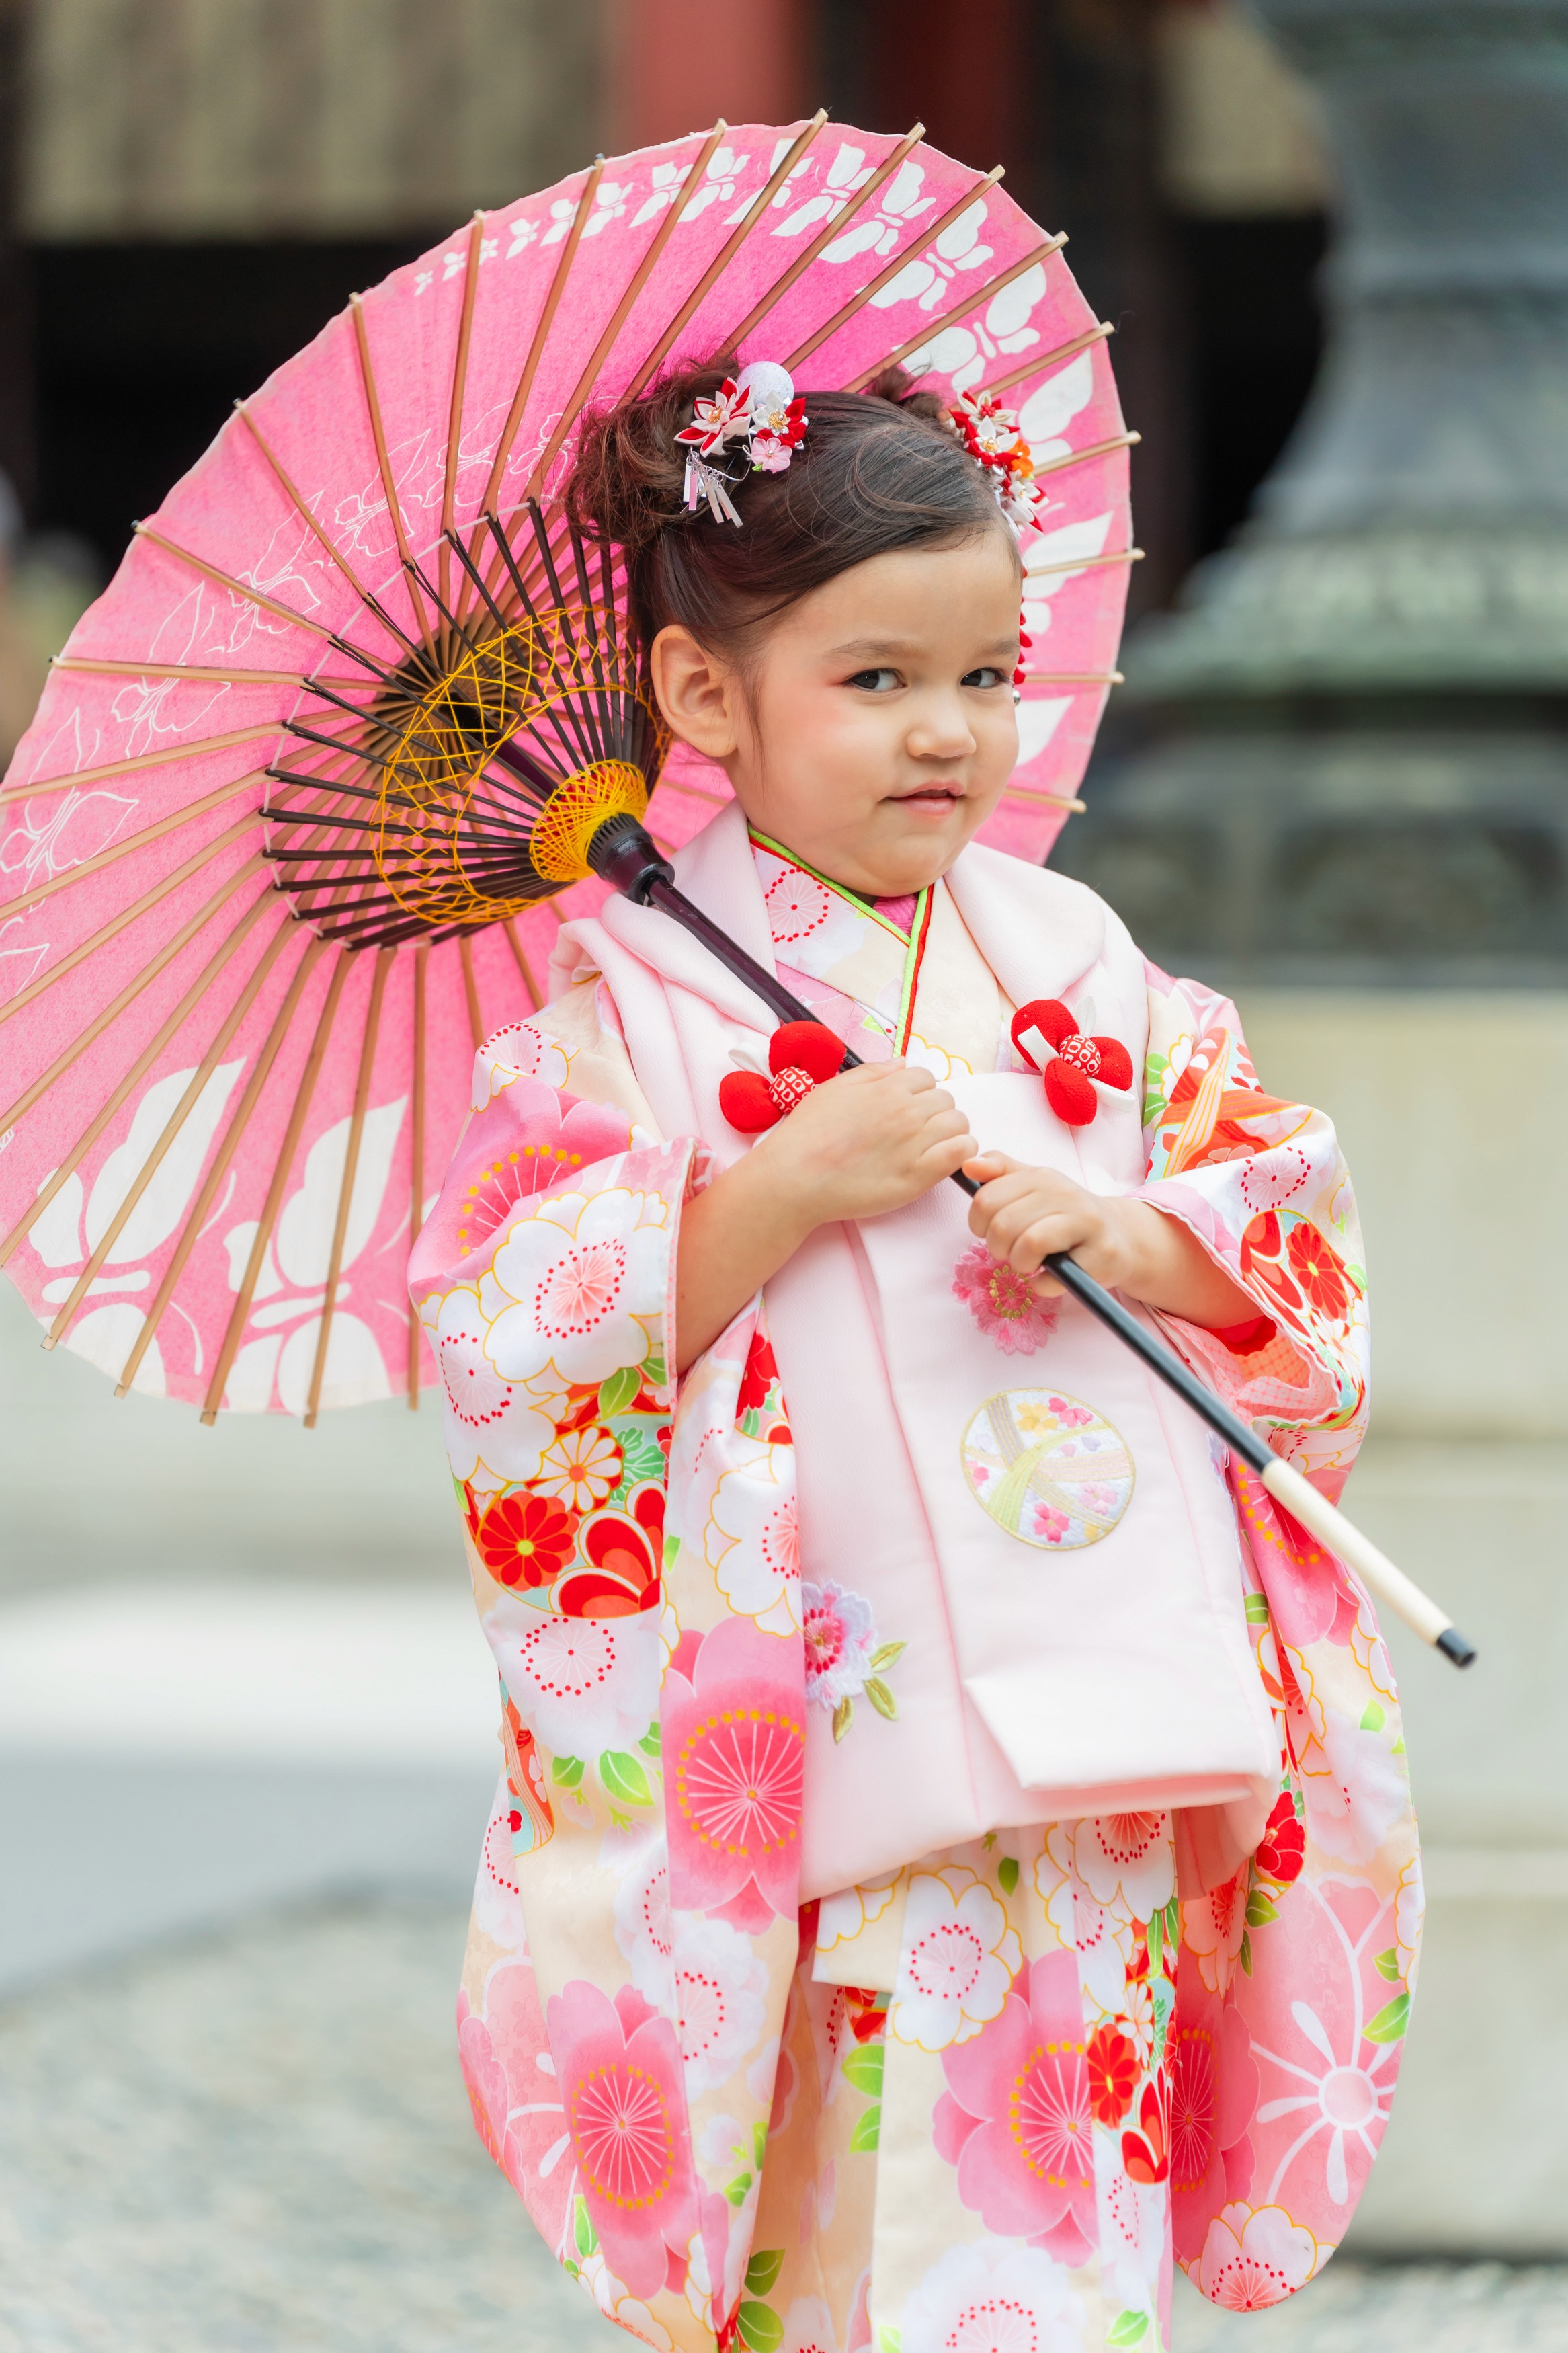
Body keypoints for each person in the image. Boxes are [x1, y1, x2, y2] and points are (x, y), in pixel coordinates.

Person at [409, 363, 1418, 2353]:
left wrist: (1136, 1235)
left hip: (1108, 1721)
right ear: (704, 695)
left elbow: (1278, 1224)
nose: (948, 730)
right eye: (875, 680)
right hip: (831, 1753)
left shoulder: (1082, 964)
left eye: (985, 674)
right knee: (862, 2232)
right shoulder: (631, 1011)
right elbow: (511, 1357)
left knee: (1073, 2210)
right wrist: (773, 1189)